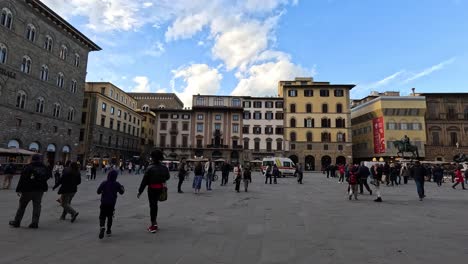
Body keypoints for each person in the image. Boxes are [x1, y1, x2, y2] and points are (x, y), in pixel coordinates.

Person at [9, 154, 49, 229]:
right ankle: (35, 223)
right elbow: (48, 176)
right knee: (37, 206)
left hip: (28, 190)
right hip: (39, 190)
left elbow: (22, 179)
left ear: (32, 159)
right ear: (39, 159)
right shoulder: (44, 167)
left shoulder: (28, 167)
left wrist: (19, 189)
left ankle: (17, 222)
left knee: (22, 206)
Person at [137, 150, 170, 233]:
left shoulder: (149, 168)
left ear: (153, 157)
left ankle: (153, 224)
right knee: (155, 206)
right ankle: (154, 223)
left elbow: (144, 181)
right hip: (160, 188)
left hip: (152, 189)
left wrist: (140, 191)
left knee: (153, 206)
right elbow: (167, 177)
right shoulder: (164, 167)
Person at [97, 170, 125, 239]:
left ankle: (102, 227)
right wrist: (122, 188)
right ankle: (108, 230)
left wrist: (102, 191)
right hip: (112, 203)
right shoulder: (117, 184)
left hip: (104, 202)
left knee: (102, 216)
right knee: (110, 217)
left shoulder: (104, 183)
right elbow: (121, 192)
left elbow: (98, 191)